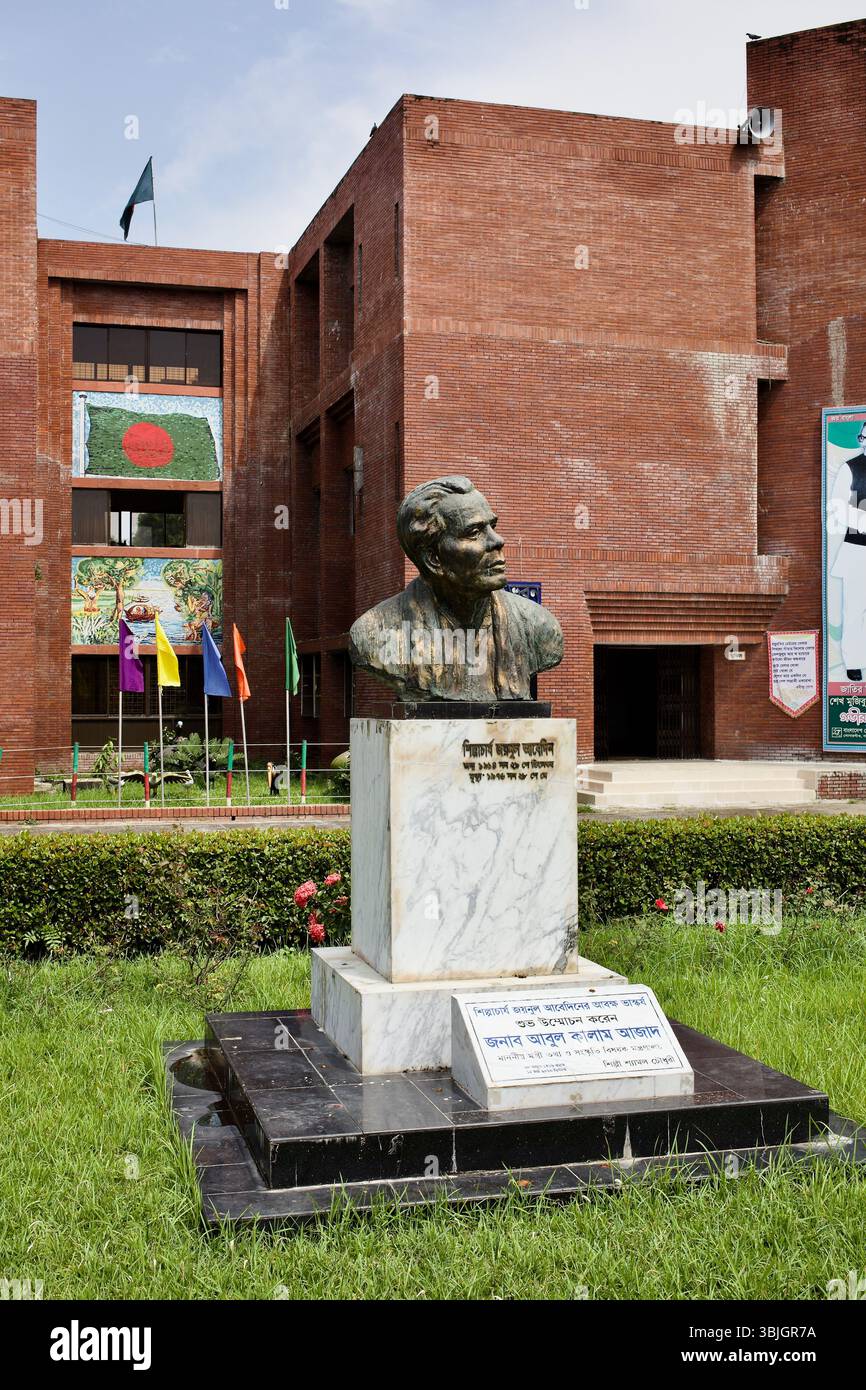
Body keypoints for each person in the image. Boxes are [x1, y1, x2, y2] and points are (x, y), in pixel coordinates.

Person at [349, 475, 562, 700]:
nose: (498, 541)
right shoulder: (374, 633)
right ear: (433, 558)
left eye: (492, 526)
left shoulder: (539, 627)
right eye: (474, 532)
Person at [830, 422, 866, 680]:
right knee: (855, 610)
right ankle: (853, 661)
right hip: (857, 551)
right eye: (865, 437)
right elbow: (838, 508)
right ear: (861, 439)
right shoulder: (849, 468)